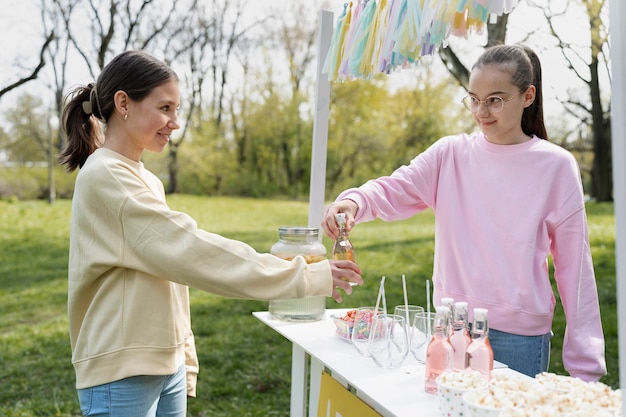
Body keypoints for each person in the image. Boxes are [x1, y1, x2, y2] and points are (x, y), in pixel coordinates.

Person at [59, 50, 362, 417]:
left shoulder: (144, 178)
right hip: (124, 371)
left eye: (176, 109)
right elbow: (191, 251)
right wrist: (305, 274)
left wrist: (181, 353)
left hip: (162, 363)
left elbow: (171, 272)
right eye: (165, 108)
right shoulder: (106, 175)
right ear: (123, 102)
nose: (174, 122)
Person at [322, 44, 606, 381]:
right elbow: (395, 188)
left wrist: (585, 369)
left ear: (527, 96)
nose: (482, 111)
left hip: (519, 340)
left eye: (495, 100)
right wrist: (355, 202)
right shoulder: (450, 154)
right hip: (450, 329)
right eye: (474, 99)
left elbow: (576, 273)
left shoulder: (556, 166)